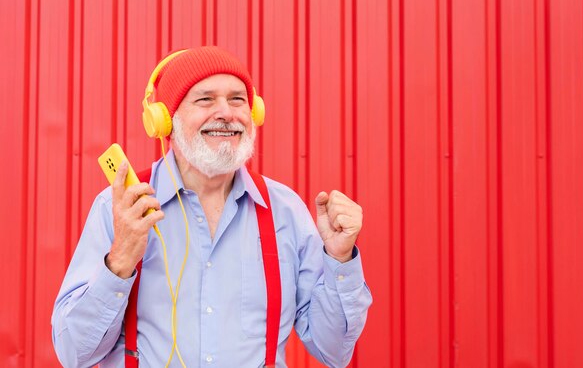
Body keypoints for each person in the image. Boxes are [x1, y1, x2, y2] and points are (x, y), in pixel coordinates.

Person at [51, 46, 372, 368]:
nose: (227, 113)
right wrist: (120, 260)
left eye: (237, 99)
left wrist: (339, 259)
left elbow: (333, 351)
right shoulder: (120, 207)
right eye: (205, 99)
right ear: (165, 120)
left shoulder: (285, 210)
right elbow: (74, 353)